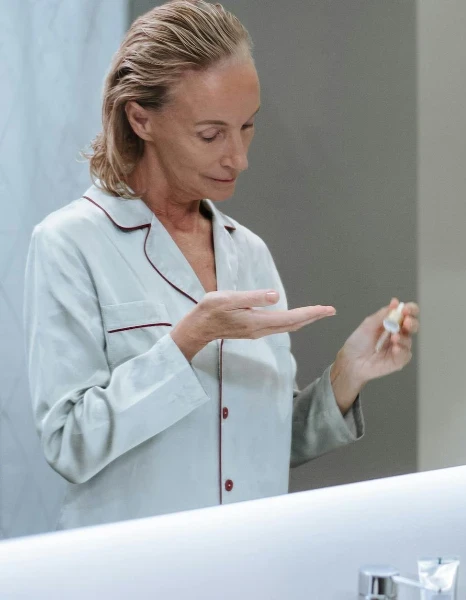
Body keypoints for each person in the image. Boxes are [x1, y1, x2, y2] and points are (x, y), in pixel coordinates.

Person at [24, 0, 419, 530]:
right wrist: (187, 341)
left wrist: (346, 376)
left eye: (247, 127)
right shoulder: (70, 244)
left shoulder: (248, 252)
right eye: (211, 135)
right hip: (132, 574)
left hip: (251, 566)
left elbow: (258, 449)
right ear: (141, 118)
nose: (239, 157)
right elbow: (71, 444)